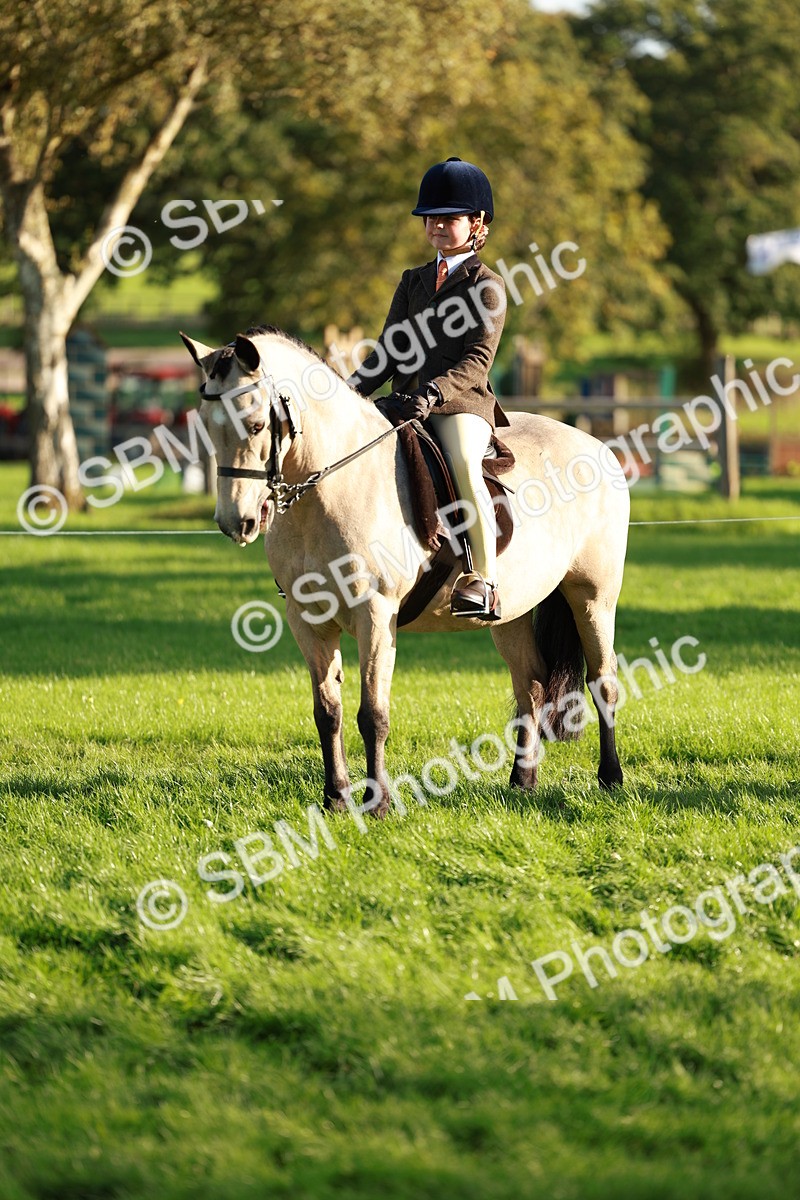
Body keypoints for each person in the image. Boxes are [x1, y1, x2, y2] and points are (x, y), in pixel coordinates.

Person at [347, 156, 510, 620]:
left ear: (477, 223)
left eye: (448, 218)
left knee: (460, 458)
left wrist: (435, 393)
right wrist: (351, 392)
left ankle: (484, 578)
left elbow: (478, 360)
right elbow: (389, 351)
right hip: (405, 402)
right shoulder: (412, 281)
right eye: (430, 218)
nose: (436, 225)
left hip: (459, 404)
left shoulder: (488, 286)